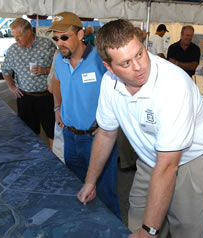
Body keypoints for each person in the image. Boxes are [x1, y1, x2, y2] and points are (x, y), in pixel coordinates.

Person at [78, 19, 203, 238]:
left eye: (139, 54)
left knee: (185, 231)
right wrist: (90, 181)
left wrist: (149, 230)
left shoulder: (173, 85)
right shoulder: (109, 83)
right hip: (150, 157)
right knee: (136, 223)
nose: (138, 67)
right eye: (125, 63)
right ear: (109, 67)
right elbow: (106, 133)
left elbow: (168, 164)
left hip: (191, 161)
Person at [48, 11, 120, 218]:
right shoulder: (60, 60)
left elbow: (119, 91)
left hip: (96, 139)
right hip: (70, 137)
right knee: (78, 191)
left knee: (106, 196)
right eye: (56, 38)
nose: (59, 43)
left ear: (80, 35)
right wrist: (57, 107)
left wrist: (108, 125)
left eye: (64, 37)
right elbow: (57, 81)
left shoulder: (100, 59)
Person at [1, 18, 56, 149]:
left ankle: (56, 161)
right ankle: (35, 160)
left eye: (18, 36)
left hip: (47, 97)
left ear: (29, 32)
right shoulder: (13, 50)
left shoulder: (47, 45)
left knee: (53, 133)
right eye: (14, 36)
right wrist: (12, 87)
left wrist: (45, 70)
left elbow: (59, 67)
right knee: (30, 134)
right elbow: (5, 70)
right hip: (25, 98)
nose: (16, 40)